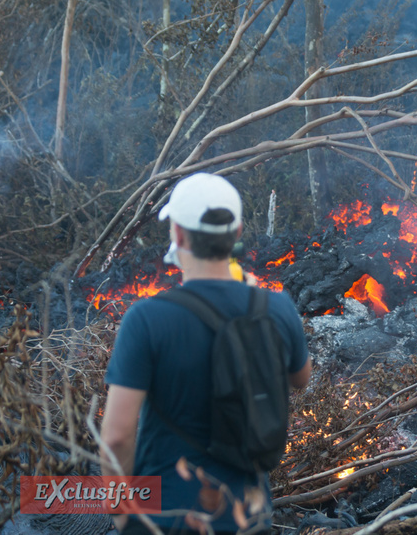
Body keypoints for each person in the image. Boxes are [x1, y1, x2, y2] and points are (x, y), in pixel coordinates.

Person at [101, 173, 312, 535]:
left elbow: (117, 436)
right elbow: (301, 379)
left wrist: (122, 513)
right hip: (249, 515)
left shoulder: (147, 318)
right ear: (237, 233)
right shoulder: (276, 308)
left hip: (167, 516)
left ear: (178, 234)